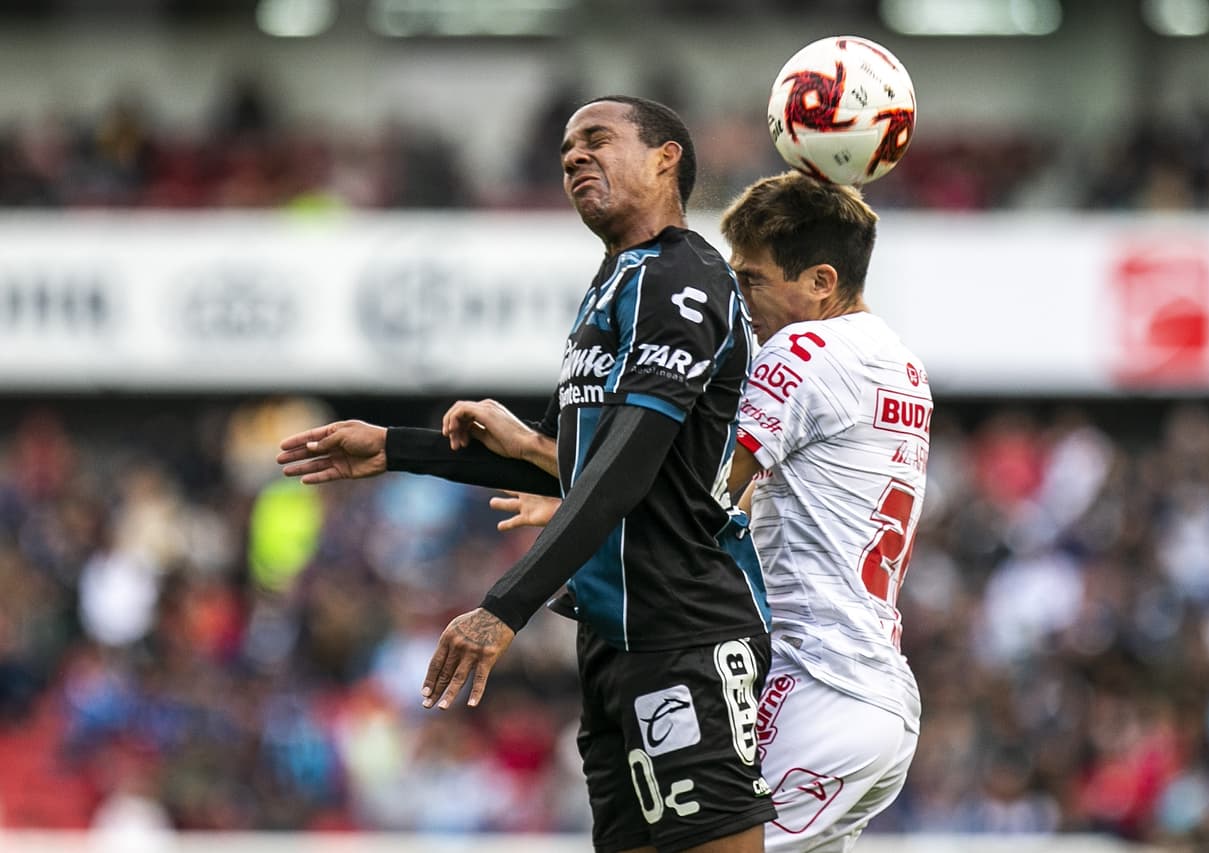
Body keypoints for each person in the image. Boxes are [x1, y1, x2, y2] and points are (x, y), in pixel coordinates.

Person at [277, 96, 776, 853]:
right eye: (569, 147)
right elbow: (561, 455)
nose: (574, 156)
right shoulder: (613, 284)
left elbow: (625, 466)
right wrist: (393, 446)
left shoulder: (682, 278)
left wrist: (505, 606)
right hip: (614, 641)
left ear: (666, 158)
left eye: (598, 141)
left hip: (688, 633)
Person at [490, 172, 928, 851]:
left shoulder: (802, 349)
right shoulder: (898, 363)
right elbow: (736, 497)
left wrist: (568, 485)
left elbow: (705, 478)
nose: (740, 300)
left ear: (819, 281)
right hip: (879, 697)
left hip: (819, 682)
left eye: (751, 281)